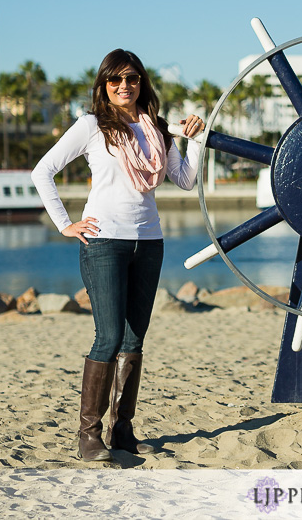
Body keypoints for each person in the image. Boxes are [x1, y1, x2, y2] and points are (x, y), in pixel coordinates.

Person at [31, 48, 206, 462]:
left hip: (149, 242)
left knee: (133, 340)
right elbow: (43, 171)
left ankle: (122, 431)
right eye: (115, 80)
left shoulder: (158, 128)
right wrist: (65, 224)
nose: (124, 86)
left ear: (141, 82)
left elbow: (185, 179)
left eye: (131, 78)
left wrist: (196, 138)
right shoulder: (92, 126)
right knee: (108, 337)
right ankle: (88, 435)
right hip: (104, 242)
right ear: (104, 86)